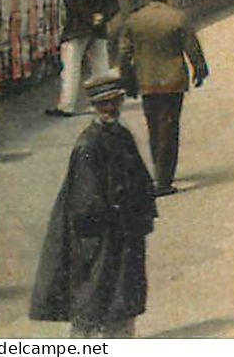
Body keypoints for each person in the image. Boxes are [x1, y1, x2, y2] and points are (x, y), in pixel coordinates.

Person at [29, 74, 157, 337]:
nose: (111, 110)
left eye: (114, 103)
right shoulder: (89, 144)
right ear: (96, 107)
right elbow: (86, 200)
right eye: (104, 105)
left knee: (119, 291)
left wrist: (140, 213)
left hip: (119, 229)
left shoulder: (120, 136)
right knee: (95, 291)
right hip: (100, 232)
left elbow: (141, 179)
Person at [119, 0, 209, 196]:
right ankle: (163, 180)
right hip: (173, 81)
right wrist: (200, 69)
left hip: (147, 81)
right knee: (169, 128)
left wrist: (128, 81)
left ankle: (160, 171)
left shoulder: (134, 20)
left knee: (153, 128)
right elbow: (192, 48)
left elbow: (124, 55)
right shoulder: (178, 17)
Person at [49, 0, 120, 117]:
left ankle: (67, 106)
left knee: (71, 69)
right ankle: (105, 102)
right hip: (99, 29)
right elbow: (114, 6)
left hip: (77, 29)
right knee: (101, 68)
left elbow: (71, 4)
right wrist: (101, 16)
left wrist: (88, 17)